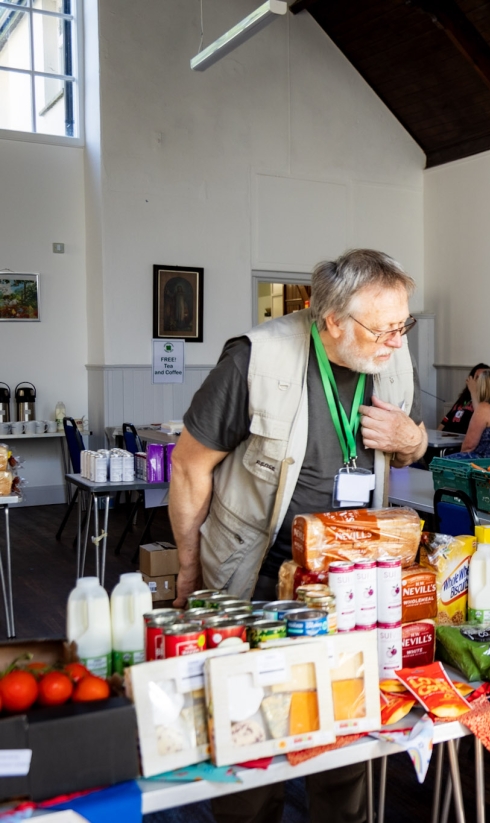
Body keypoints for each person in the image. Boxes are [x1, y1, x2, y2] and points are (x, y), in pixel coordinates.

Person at [169, 248, 427, 823]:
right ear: (331, 321)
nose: (395, 340)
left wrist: (411, 439)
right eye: (383, 327)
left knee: (345, 742)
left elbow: (412, 450)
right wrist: (188, 569)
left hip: (349, 586)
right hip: (256, 579)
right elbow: (189, 467)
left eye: (402, 325)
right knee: (250, 743)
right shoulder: (254, 360)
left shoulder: (391, 355)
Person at [445, 367, 490, 460]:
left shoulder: (484, 408)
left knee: (437, 463)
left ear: (482, 386)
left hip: (479, 461)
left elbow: (469, 446)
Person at [439, 362, 490, 433]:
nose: (479, 381)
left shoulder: (489, 401)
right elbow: (445, 420)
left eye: (482, 378)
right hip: (448, 436)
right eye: (477, 377)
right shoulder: (465, 397)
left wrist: (473, 391)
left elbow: (479, 415)